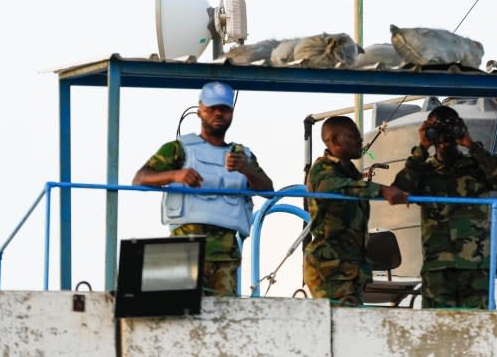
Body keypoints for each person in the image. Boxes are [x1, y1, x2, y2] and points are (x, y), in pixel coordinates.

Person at [132, 81, 273, 296]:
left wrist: (245, 169)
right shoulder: (178, 149)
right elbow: (140, 178)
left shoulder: (242, 154)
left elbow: (268, 190)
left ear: (231, 113)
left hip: (225, 253)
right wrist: (175, 175)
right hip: (185, 247)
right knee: (177, 313)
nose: (218, 114)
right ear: (200, 110)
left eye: (224, 109)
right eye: (211, 109)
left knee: (224, 317)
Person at [392, 105, 497, 309]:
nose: (444, 138)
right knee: (437, 331)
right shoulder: (423, 172)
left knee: (477, 330)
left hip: (476, 267)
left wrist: (471, 145)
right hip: (438, 269)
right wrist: (421, 149)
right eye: (437, 131)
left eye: (449, 130)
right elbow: (398, 190)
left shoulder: (478, 167)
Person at [303, 115, 410, 305]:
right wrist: (381, 189)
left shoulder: (350, 171)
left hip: (352, 268)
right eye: (351, 136)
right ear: (334, 140)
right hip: (330, 268)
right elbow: (335, 186)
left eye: (358, 135)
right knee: (340, 325)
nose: (359, 140)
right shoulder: (321, 170)